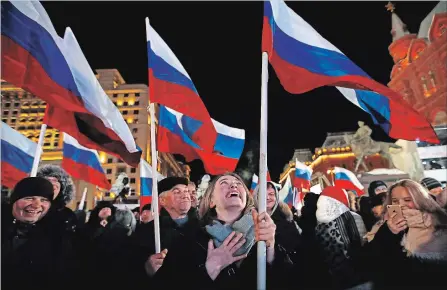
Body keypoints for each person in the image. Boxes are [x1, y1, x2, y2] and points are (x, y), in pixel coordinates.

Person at [152, 173, 292, 290]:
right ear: (211, 200)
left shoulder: (266, 233)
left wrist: (271, 252)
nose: (233, 185)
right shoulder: (188, 241)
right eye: (224, 183)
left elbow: (290, 281)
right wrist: (209, 269)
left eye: (238, 183)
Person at [364, 179, 447, 288]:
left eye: (408, 200)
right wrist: (388, 233)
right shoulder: (383, 226)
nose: (401, 205)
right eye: (395, 201)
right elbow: (369, 263)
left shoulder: (440, 223)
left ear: (420, 200)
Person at [1, 177, 78, 290]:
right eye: (29, 198)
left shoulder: (57, 238)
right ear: (14, 200)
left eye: (44, 200)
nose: (37, 205)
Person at [36, 165, 78, 235]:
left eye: (56, 180)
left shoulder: (68, 215)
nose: (52, 183)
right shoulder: (30, 208)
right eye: (48, 180)